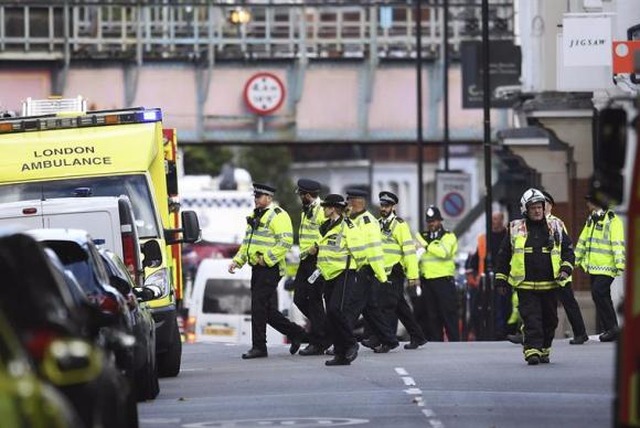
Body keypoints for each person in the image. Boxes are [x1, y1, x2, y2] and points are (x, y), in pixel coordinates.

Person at [495, 188, 575, 365]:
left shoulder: (556, 226)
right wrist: (501, 278)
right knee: (532, 318)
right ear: (526, 209)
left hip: (550, 284)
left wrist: (565, 269)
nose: (538, 210)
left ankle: (544, 348)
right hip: (526, 285)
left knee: (550, 320)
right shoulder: (515, 228)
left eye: (540, 207)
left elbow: (568, 252)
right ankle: (531, 350)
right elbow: (503, 255)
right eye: (533, 208)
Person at [229, 182, 307, 359]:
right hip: (257, 269)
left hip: (270, 269)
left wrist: (267, 259)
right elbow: (248, 243)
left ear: (269, 198)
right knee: (267, 310)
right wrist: (237, 261)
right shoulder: (254, 215)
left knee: (258, 306)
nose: (255, 199)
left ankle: (259, 347)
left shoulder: (278, 215)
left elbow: (285, 242)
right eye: (255, 196)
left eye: (259, 196)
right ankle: (297, 333)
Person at [365, 191, 427, 350]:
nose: (383, 208)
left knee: (387, 306)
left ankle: (385, 340)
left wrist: (413, 276)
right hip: (381, 272)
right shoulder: (377, 224)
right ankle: (418, 336)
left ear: (393, 207)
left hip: (395, 271)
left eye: (386, 206)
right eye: (382, 205)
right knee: (400, 307)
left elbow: (409, 251)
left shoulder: (400, 225)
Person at [346, 188, 398, 354]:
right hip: (357, 271)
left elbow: (374, 251)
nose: (347, 204)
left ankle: (343, 343)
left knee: (351, 310)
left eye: (350, 201)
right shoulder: (353, 220)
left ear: (357, 202)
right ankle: (389, 339)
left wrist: (381, 276)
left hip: (365, 271)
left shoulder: (368, 222)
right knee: (370, 310)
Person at [316, 194, 367, 366]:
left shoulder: (347, 226)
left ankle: (351, 343)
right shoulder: (327, 226)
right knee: (331, 315)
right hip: (329, 275)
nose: (323, 210)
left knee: (335, 310)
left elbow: (360, 251)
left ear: (333, 208)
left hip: (344, 273)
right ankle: (340, 353)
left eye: (326, 207)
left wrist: (355, 268)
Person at [574, 194, 625, 342]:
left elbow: (617, 243)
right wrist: (574, 261)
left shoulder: (612, 220)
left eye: (590, 201)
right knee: (601, 296)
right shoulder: (591, 219)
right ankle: (612, 328)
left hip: (607, 267)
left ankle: (612, 328)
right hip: (594, 267)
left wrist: (619, 263)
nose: (588, 204)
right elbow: (583, 241)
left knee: (598, 293)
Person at [541, 190, 588, 345]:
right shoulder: (535, 222)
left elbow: (565, 247)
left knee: (568, 303)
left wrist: (565, 268)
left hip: (559, 271)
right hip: (545, 270)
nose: (541, 207)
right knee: (539, 304)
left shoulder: (556, 222)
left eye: (544, 203)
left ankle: (580, 333)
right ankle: (528, 334)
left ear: (549, 206)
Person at [291, 179, 330, 356]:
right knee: (299, 298)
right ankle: (323, 330)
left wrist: (317, 246)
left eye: (301, 195)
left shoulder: (322, 210)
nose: (300, 197)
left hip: (317, 260)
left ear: (307, 195)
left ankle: (318, 341)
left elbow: (330, 232)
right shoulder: (306, 210)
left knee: (314, 300)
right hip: (305, 259)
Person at [415, 205, 460, 342]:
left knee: (448, 315)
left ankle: (455, 344)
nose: (431, 224)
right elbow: (415, 255)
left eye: (434, 221)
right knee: (432, 317)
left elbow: (444, 253)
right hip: (427, 281)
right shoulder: (422, 236)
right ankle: (436, 345)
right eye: (429, 222)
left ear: (440, 221)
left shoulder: (448, 236)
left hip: (444, 281)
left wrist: (427, 245)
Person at [466, 211, 510, 340]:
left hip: (505, 277)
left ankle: (502, 330)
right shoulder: (484, 238)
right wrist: (472, 274)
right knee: (479, 307)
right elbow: (476, 259)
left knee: (503, 305)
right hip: (485, 281)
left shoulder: (508, 236)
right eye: (492, 219)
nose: (494, 222)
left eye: (496, 219)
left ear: (502, 220)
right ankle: (484, 330)